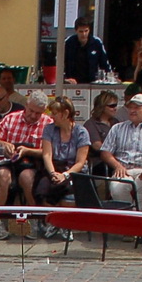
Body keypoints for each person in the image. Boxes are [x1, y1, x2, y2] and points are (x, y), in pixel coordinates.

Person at [0, 88, 49, 235]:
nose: (33, 115)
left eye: (38, 113)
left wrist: (28, 151)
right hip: (9, 163)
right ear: (26, 105)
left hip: (33, 164)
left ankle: (35, 219)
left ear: (44, 112)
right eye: (31, 111)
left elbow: (48, 152)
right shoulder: (10, 118)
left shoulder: (48, 124)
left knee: (27, 177)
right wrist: (3, 144)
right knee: (2, 175)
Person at [99, 93, 142, 207]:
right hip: (123, 169)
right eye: (131, 107)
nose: (132, 110)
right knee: (117, 189)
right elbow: (105, 152)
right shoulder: (117, 128)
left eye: (137, 107)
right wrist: (117, 166)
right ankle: (128, 216)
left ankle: (137, 216)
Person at [35, 94, 89, 224]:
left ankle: (64, 224)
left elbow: (80, 162)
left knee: (66, 189)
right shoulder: (49, 129)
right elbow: (47, 154)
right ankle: (51, 223)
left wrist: (65, 175)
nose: (51, 116)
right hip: (54, 168)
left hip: (74, 172)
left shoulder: (81, 133)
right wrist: (53, 173)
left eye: (54, 113)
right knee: (43, 185)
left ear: (65, 114)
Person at [64, 17, 112, 84]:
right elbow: (59, 63)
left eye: (86, 31)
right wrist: (65, 79)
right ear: (76, 31)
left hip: (92, 83)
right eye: (81, 31)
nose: (84, 34)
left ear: (89, 30)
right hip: (72, 83)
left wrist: (110, 78)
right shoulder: (68, 43)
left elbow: (105, 64)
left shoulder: (96, 43)